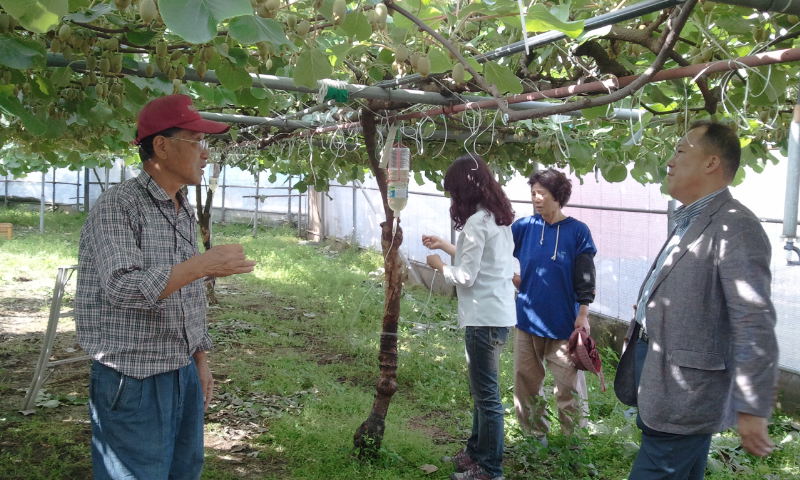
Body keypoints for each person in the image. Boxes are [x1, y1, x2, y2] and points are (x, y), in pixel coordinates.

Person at [76, 94, 257, 480]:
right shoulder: (119, 205)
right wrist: (201, 265)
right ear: (161, 145)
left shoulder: (181, 206)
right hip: (134, 376)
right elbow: (122, 287)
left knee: (182, 471)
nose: (206, 154)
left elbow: (186, 293)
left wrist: (200, 361)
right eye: (197, 141)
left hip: (180, 369)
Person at [615, 120, 778, 479]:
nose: (669, 161)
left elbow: (753, 321)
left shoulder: (735, 226)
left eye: (680, 151)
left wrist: (751, 406)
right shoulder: (689, 219)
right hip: (661, 371)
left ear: (711, 163)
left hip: (686, 390)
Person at [422, 154, 516, 480]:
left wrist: (439, 266)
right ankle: (475, 453)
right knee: (481, 391)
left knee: (487, 398)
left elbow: (466, 276)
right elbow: (488, 265)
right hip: (498, 315)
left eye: (453, 192)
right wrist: (448, 246)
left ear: (464, 190)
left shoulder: (478, 222)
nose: (452, 199)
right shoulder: (497, 220)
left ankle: (490, 469)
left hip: (482, 319)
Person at [511, 168, 597, 443]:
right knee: (526, 384)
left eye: (542, 194)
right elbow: (497, 256)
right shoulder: (524, 227)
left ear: (558, 196)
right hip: (527, 320)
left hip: (563, 324)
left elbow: (586, 276)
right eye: (533, 193)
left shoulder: (577, 231)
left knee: (568, 389)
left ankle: (575, 445)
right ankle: (534, 438)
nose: (536, 199)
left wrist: (583, 313)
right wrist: (514, 279)